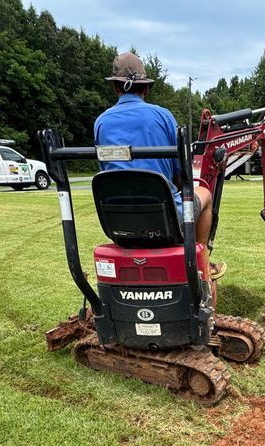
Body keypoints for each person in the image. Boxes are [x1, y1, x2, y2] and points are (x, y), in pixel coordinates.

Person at [94, 53, 222, 278]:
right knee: (205, 194)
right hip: (165, 221)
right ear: (145, 89)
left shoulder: (101, 123)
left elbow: (107, 171)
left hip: (119, 224)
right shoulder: (163, 117)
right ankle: (201, 265)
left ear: (115, 88)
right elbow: (179, 175)